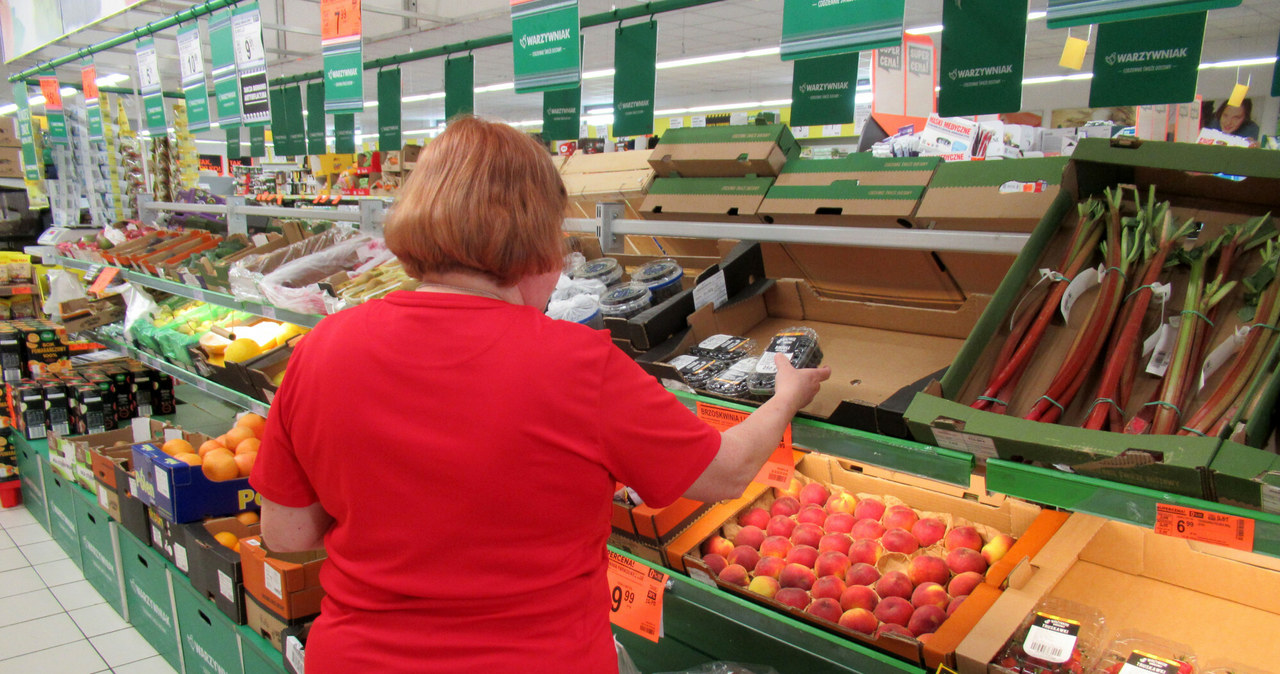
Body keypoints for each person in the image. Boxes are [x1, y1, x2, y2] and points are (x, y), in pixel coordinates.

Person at [251, 116, 831, 674]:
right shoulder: (577, 363)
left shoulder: (323, 347)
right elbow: (725, 474)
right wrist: (784, 397)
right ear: (534, 238)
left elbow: (288, 535)